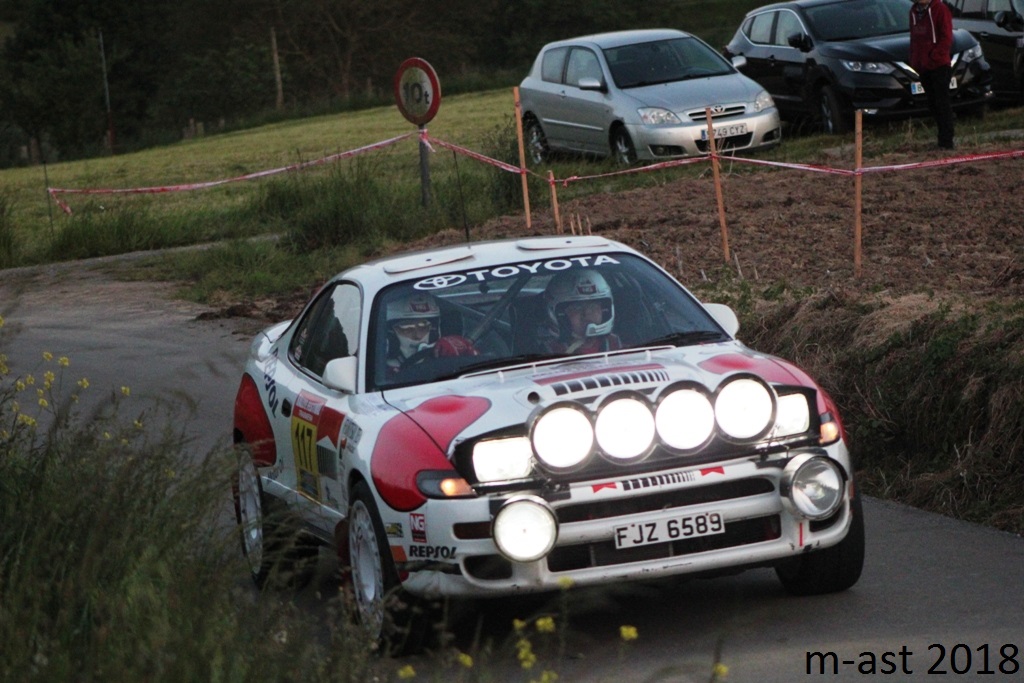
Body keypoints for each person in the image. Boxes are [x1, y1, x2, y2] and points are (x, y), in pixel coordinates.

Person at [384, 292, 476, 375]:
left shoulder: (443, 360)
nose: (417, 336)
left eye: (423, 327)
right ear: (389, 334)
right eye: (407, 329)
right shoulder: (378, 371)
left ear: (434, 331)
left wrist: (463, 356)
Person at [539, 270, 622, 355]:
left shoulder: (615, 343)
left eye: (593, 306)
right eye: (577, 308)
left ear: (604, 310)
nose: (587, 314)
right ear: (559, 314)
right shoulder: (549, 351)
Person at [909, 0, 955, 150]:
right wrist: (915, 60)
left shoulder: (940, 9)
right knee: (932, 103)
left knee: (942, 102)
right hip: (923, 66)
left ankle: (946, 141)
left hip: (940, 65)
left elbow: (946, 37)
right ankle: (942, 138)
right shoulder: (914, 12)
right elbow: (914, 38)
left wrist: (935, 56)